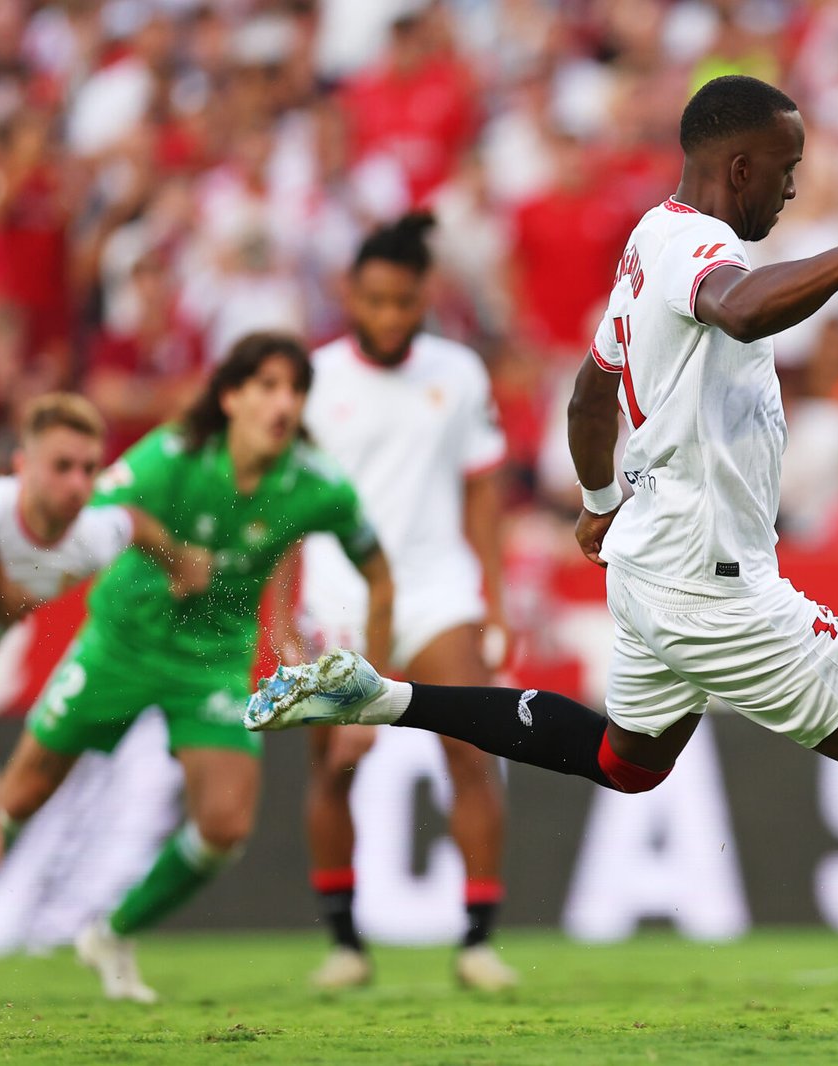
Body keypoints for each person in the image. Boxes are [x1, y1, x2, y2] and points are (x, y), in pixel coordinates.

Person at [248, 76, 838, 1025]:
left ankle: (383, 696)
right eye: (785, 171)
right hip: (713, 587)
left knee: (628, 761)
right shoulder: (697, 249)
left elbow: (590, 393)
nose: (791, 190)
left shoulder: (645, 245)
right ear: (738, 165)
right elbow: (741, 310)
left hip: (651, 570)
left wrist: (594, 503)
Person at [0, 335, 391, 1003]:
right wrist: (169, 549)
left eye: (295, 389)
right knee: (19, 797)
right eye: (266, 386)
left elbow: (380, 577)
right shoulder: (175, 453)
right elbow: (99, 505)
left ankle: (113, 932)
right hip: (123, 639)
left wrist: (366, 691)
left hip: (212, 658)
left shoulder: (315, 483)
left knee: (225, 825)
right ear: (231, 396)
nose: (283, 403)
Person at [287, 212, 515, 990]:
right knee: (336, 766)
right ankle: (346, 946)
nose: (390, 316)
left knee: (471, 753)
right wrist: (282, 616)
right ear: (351, 293)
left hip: (436, 593)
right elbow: (288, 510)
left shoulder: (459, 374)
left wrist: (495, 599)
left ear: (425, 298)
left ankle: (477, 942)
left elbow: (483, 491)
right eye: (376, 300)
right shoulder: (311, 381)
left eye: (404, 302)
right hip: (338, 599)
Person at [0, 394, 212, 887]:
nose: (78, 484)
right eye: (61, 467)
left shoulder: (90, 536)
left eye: (88, 469)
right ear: (22, 465)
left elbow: (134, 523)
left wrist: (179, 561)